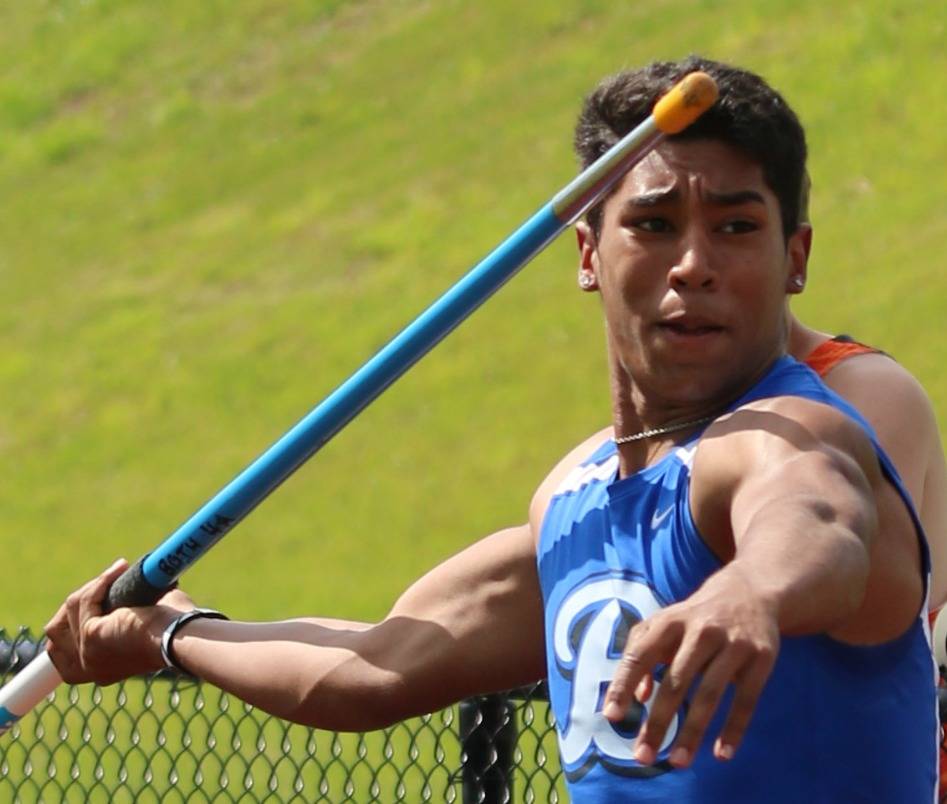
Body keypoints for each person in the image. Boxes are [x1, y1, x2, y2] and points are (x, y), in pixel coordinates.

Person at [45, 57, 938, 801]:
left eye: (736, 227)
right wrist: (172, 634)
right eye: (654, 225)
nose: (693, 265)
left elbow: (815, 518)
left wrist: (754, 594)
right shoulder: (577, 497)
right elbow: (377, 666)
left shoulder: (792, 433)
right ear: (589, 255)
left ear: (795, 259)